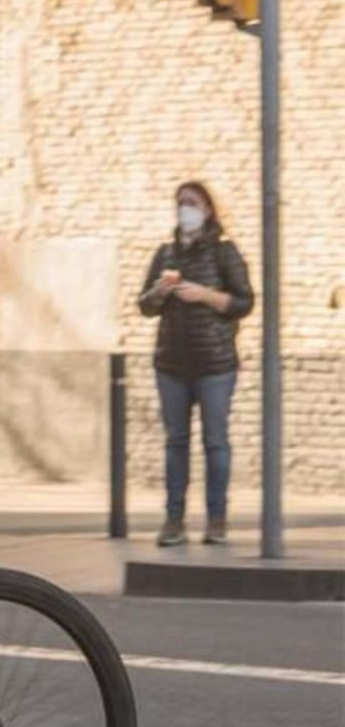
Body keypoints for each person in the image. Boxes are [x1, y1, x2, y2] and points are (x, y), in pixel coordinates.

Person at [138, 181, 254, 547]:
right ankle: (174, 520)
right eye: (180, 203)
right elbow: (144, 306)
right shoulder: (166, 253)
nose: (184, 209)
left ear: (207, 209)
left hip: (216, 364)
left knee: (215, 442)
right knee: (176, 442)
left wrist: (204, 295)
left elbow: (244, 302)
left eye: (191, 203)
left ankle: (216, 520)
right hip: (171, 364)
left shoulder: (224, 253)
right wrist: (160, 291)